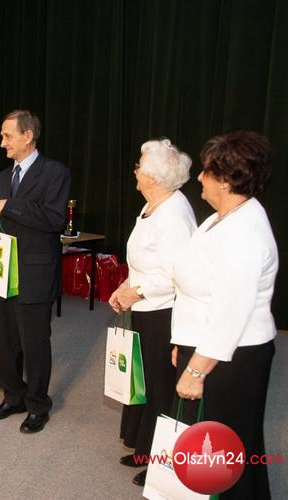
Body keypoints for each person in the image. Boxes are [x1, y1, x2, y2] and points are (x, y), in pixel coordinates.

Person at [172, 130, 278, 498]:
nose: (199, 177)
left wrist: (196, 369)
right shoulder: (223, 218)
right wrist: (183, 341)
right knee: (230, 449)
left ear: (227, 181)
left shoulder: (244, 234)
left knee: (224, 453)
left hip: (232, 358)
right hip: (210, 347)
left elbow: (230, 313)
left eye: (206, 171)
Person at [108, 139, 196, 486]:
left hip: (165, 312)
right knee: (144, 382)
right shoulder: (151, 205)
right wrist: (125, 287)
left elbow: (176, 274)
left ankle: (161, 463)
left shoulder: (174, 215)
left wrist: (137, 291)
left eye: (139, 167)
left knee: (161, 388)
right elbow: (143, 262)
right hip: (145, 307)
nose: (134, 171)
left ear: (154, 177)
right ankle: (144, 446)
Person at [0, 110, 70, 434]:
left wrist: (11, 206)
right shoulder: (2, 177)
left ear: (28, 136)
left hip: (35, 272)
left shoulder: (55, 173)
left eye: (7, 136)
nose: (2, 142)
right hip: (2, 271)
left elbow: (54, 219)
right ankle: (13, 396)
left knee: (34, 343)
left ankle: (37, 405)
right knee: (5, 341)